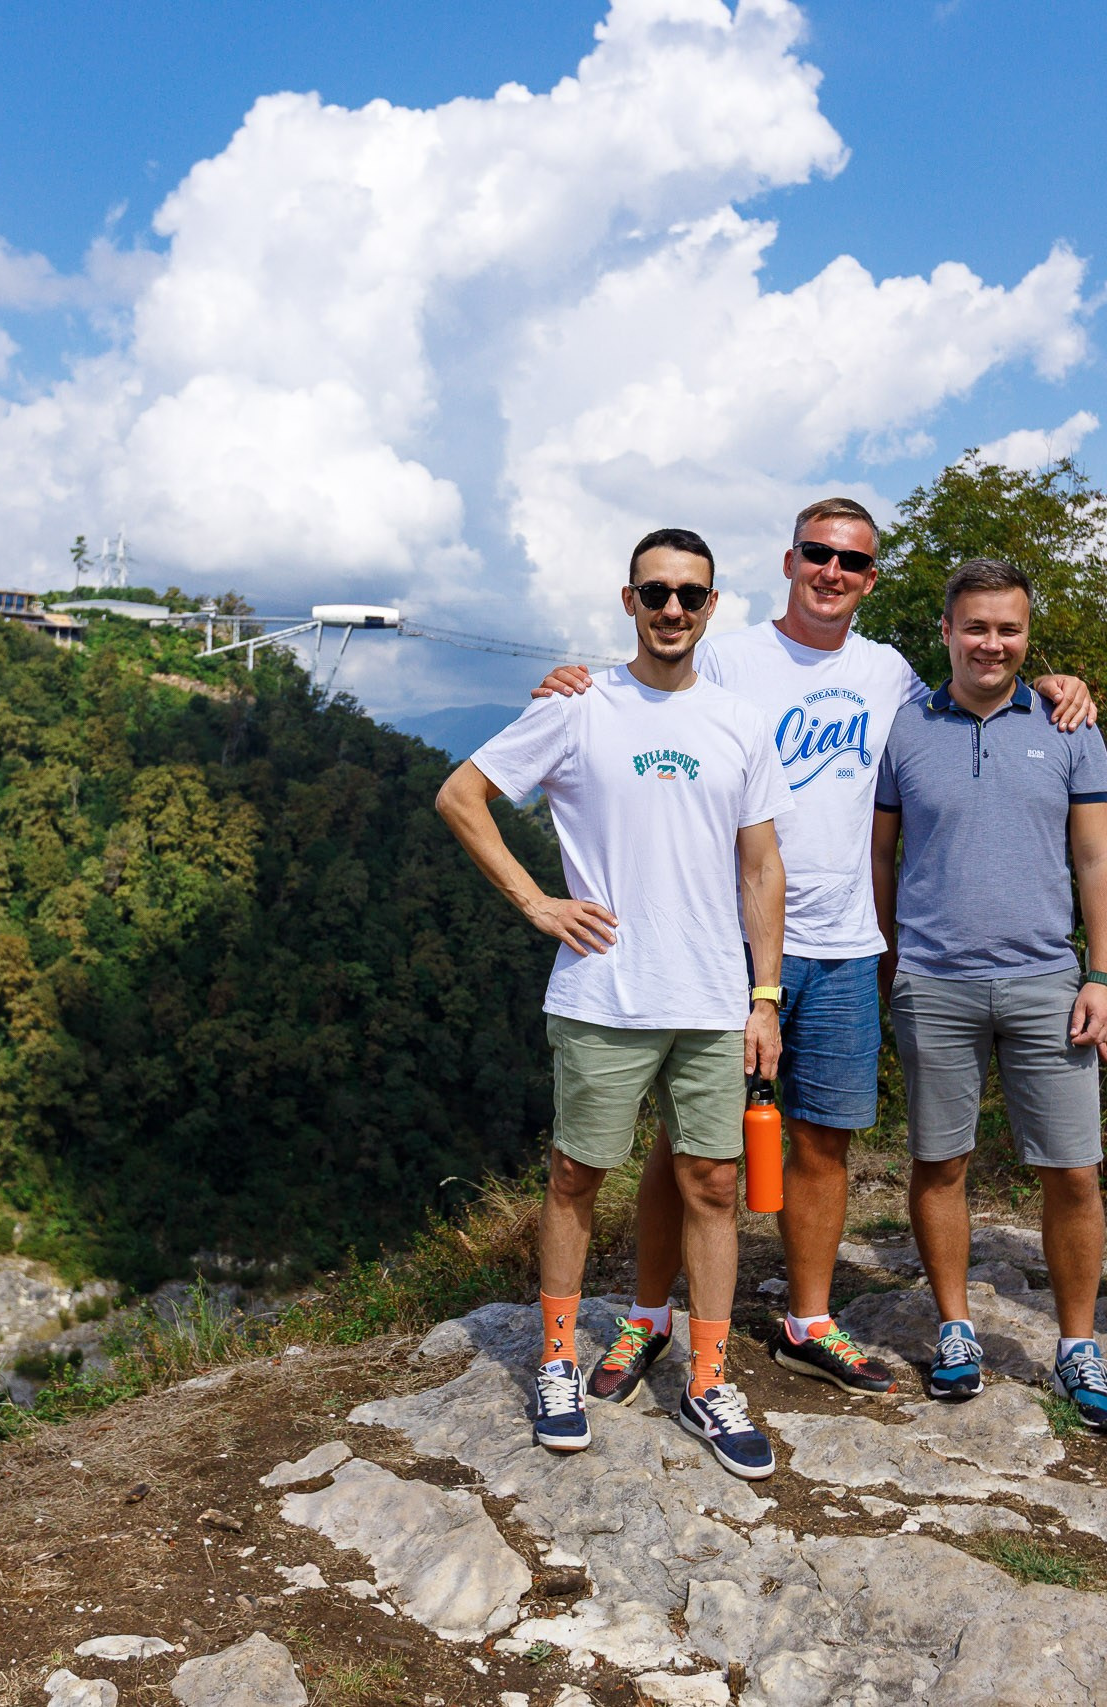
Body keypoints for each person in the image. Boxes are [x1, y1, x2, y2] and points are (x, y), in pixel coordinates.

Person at [528, 499, 1096, 1408]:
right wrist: (577, 681)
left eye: (854, 563)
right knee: (690, 1145)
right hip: (727, 935)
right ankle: (648, 1314)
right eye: (818, 555)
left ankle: (809, 1320)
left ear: (873, 579)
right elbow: (651, 676)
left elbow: (973, 696)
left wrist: (1057, 684)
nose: (833, 573)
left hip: (842, 940)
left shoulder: (891, 674)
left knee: (824, 1138)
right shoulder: (729, 653)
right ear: (788, 560)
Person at [436, 527, 789, 1481]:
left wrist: (765, 995)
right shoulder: (580, 705)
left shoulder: (738, 722)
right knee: (575, 1177)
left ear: (713, 606)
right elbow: (461, 795)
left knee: (713, 1185)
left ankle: (709, 1379)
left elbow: (761, 864)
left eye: (690, 594)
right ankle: (555, 1361)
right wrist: (536, 902)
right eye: (656, 592)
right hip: (603, 990)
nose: (673, 609)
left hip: (712, 995)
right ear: (628, 600)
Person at [872, 557, 1107, 1427]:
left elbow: (1098, 857)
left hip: (1047, 979)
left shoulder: (1067, 724)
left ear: (1028, 635)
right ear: (945, 631)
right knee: (939, 1161)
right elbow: (881, 852)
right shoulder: (902, 727)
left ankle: (1078, 1344)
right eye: (975, 626)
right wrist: (888, 955)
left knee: (1076, 1171)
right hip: (934, 979)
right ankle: (955, 1327)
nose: (991, 642)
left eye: (1008, 628)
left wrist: (1104, 975)